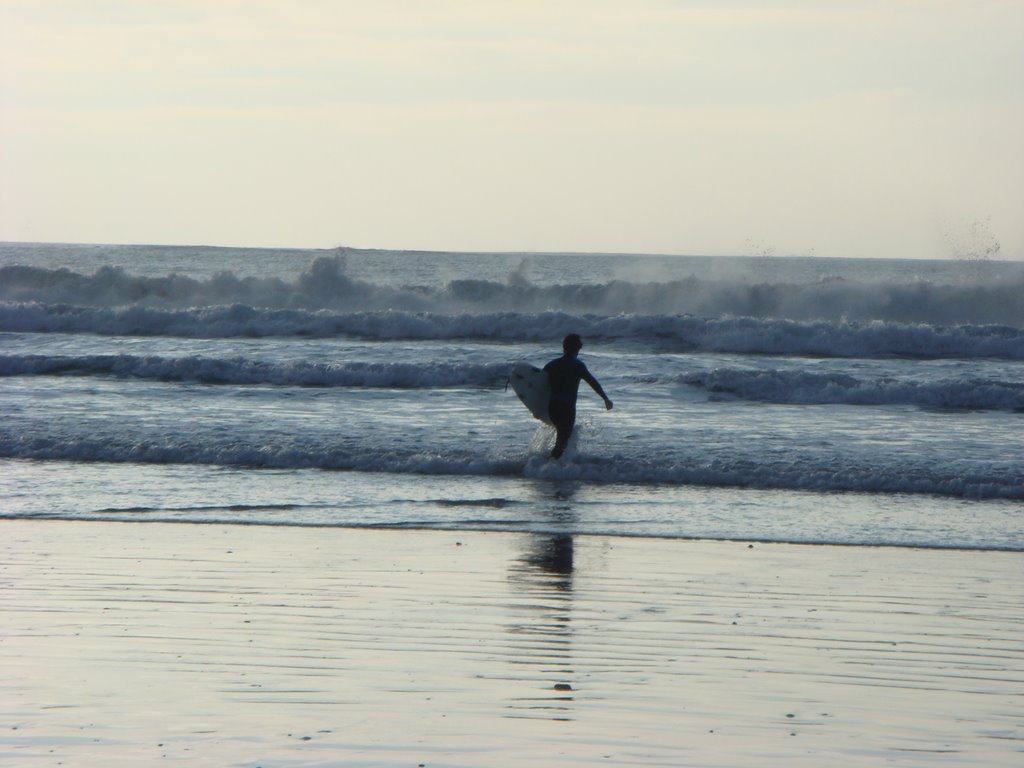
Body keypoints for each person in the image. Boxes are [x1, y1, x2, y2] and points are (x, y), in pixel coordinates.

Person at [544, 334, 613, 459]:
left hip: (552, 408)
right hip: (567, 409)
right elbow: (593, 383)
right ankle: (546, 470)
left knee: (561, 441)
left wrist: (537, 408)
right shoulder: (577, 366)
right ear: (578, 348)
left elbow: (540, 387)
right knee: (561, 444)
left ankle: (547, 468)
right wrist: (605, 399)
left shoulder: (551, 365)